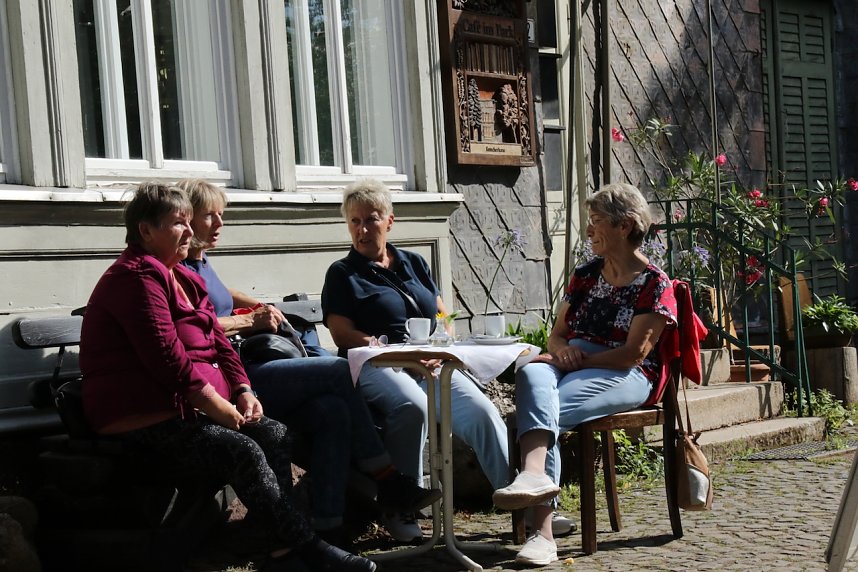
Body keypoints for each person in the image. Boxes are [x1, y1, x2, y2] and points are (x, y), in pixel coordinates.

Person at [78, 183, 376, 571]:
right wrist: (216, 405)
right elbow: (166, 358)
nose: (188, 231)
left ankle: (279, 549)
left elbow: (219, 342)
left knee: (273, 433)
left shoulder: (183, 277)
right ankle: (308, 550)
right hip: (140, 418)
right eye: (177, 224)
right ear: (146, 231)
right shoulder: (135, 278)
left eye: (188, 222)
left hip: (185, 410)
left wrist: (242, 388)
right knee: (244, 450)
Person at [175, 178, 439, 542]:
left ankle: (327, 530)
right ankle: (386, 478)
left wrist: (258, 303)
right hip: (235, 379)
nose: (219, 224)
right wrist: (247, 320)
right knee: (338, 369)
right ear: (187, 219)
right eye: (209, 216)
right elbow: (192, 325)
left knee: (333, 410)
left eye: (221, 215)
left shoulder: (201, 263)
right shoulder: (176, 271)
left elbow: (218, 293)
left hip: (245, 370)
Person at [491, 183, 678, 566]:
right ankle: (536, 484)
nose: (588, 231)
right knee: (531, 374)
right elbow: (557, 334)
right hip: (574, 361)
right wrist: (560, 352)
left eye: (595, 222)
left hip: (624, 372)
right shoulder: (585, 273)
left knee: (547, 410)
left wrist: (574, 361)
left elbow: (632, 354)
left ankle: (542, 530)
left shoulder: (655, 284)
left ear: (624, 227)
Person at [321, 178, 515, 542]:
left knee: (483, 413)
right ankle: (402, 509)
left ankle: (528, 508)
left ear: (389, 221)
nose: (363, 229)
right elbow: (340, 332)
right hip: (377, 363)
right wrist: (397, 352)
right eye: (355, 221)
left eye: (371, 219)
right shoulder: (342, 273)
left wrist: (443, 344)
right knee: (413, 409)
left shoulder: (414, 263)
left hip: (431, 362)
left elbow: (442, 315)